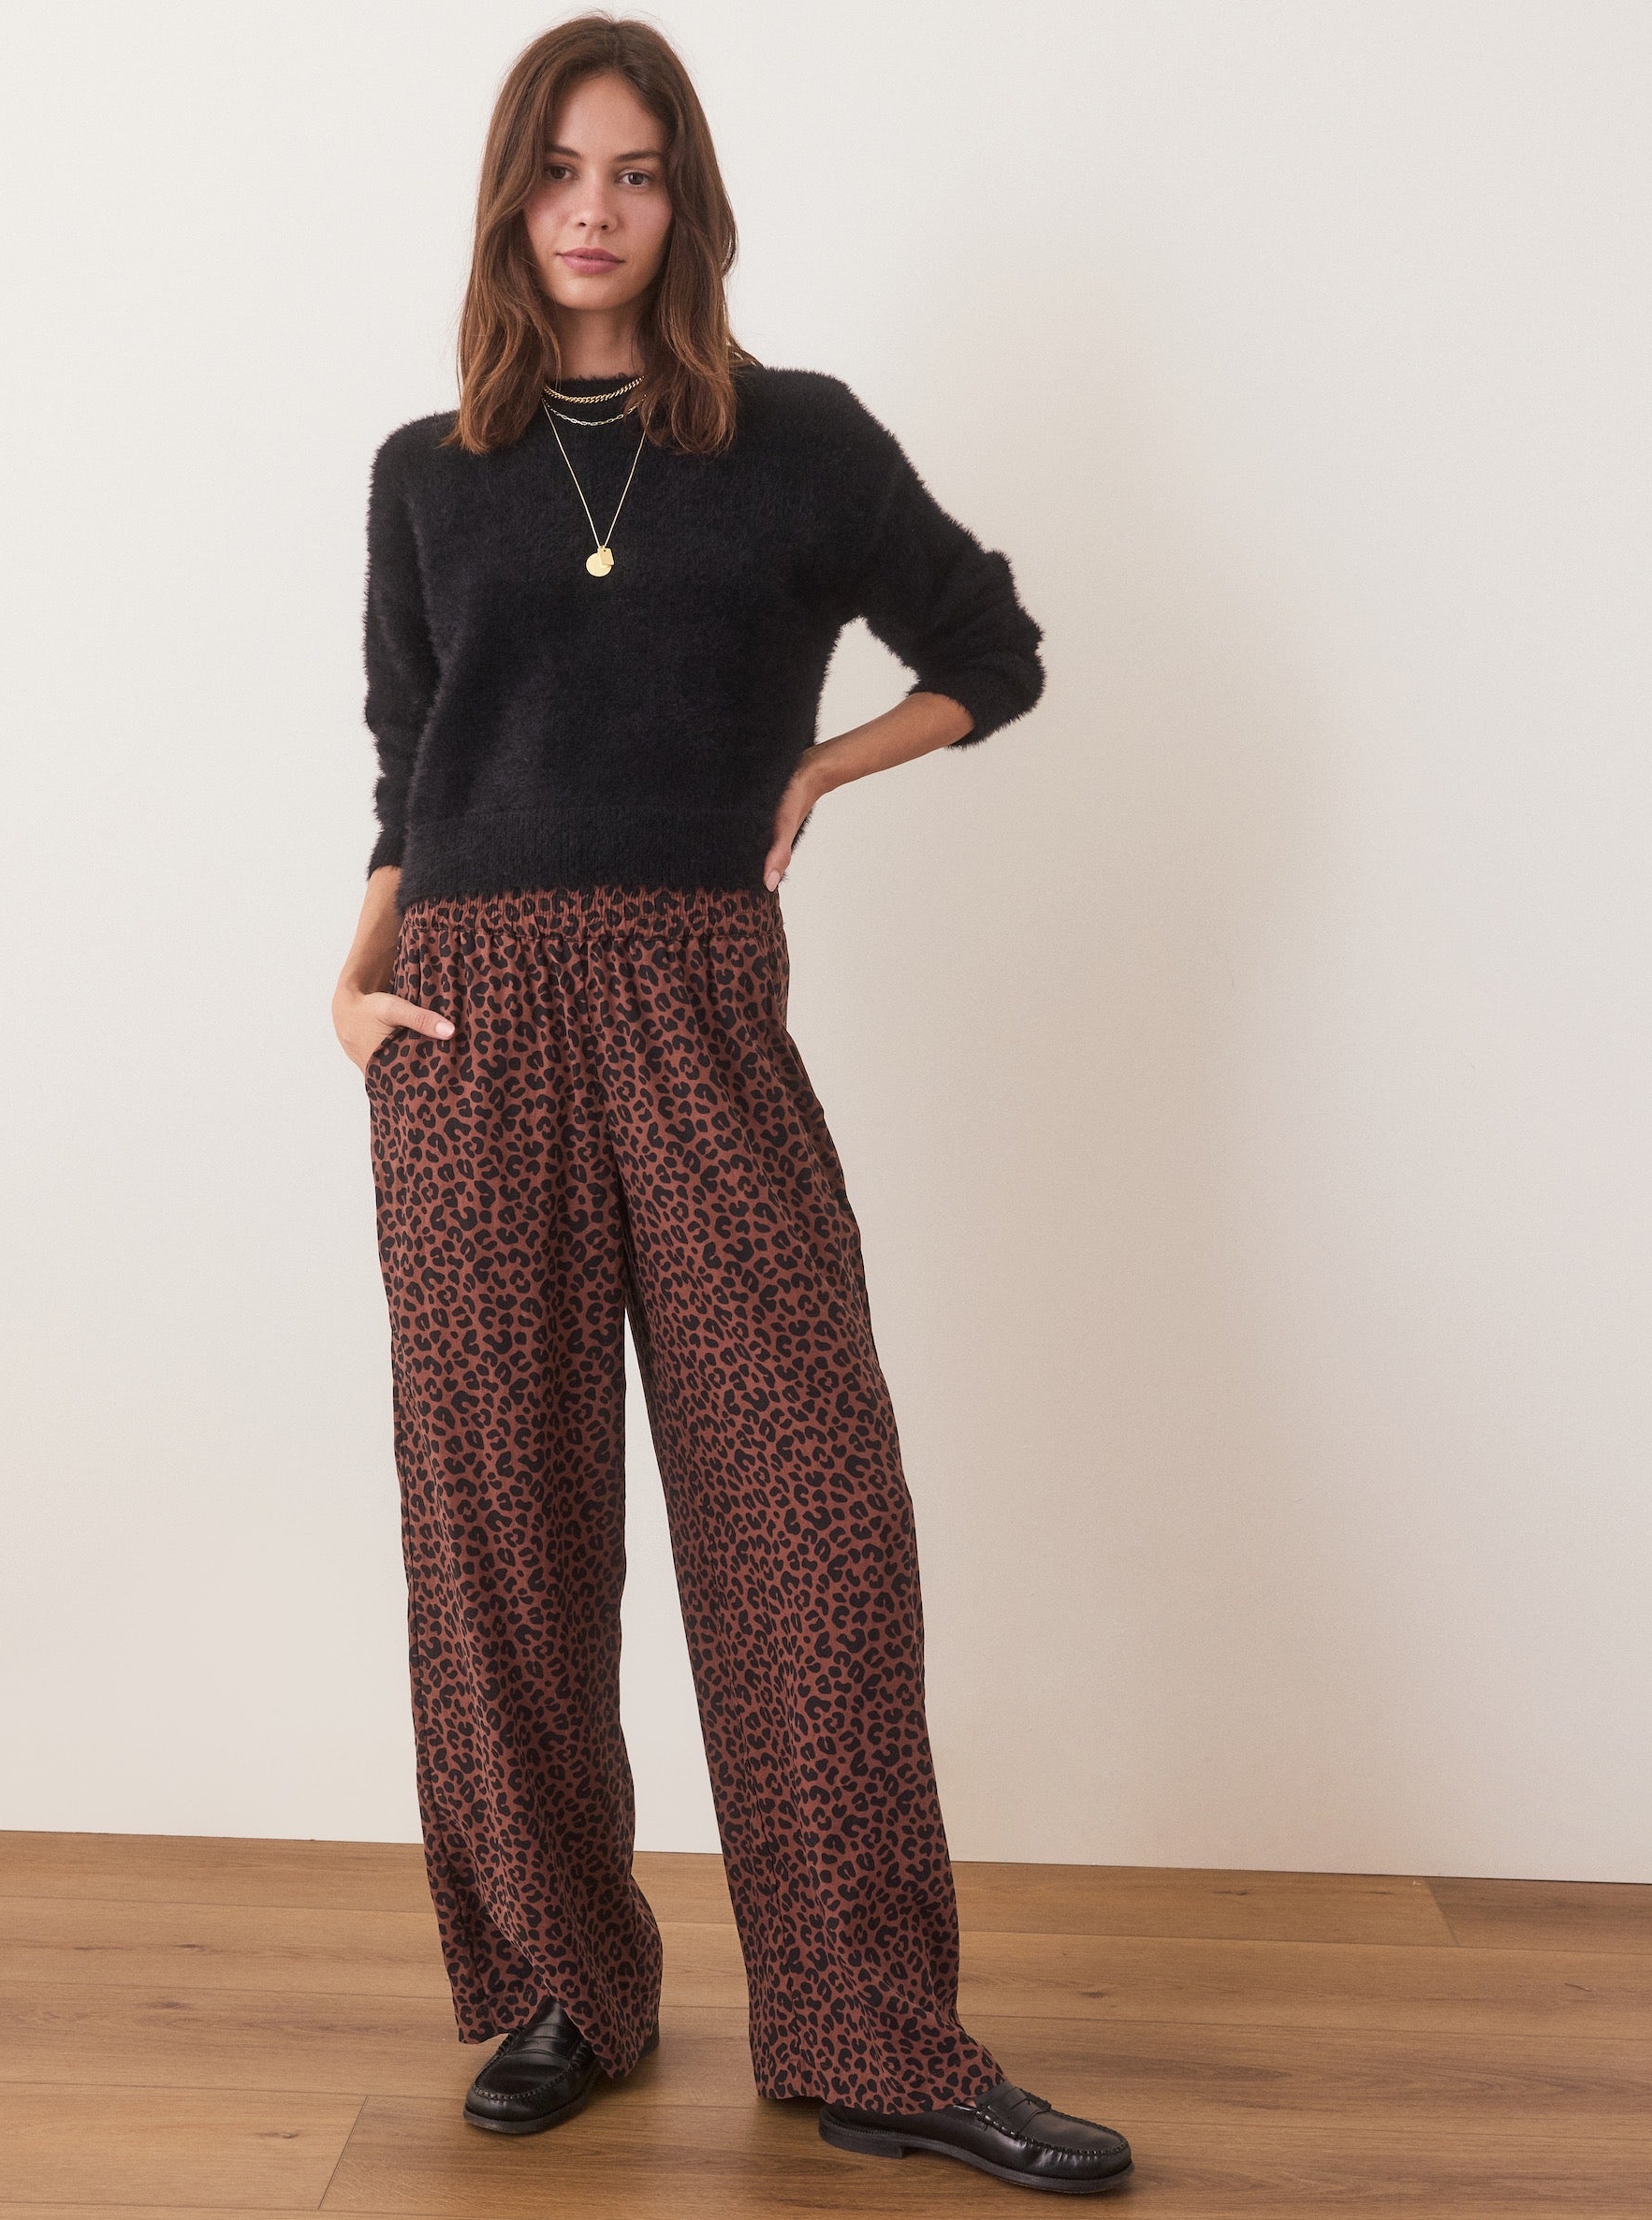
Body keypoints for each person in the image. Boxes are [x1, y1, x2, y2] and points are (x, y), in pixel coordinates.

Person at [330, 13, 1133, 2198]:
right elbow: (410, 761)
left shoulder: (797, 440)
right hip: (464, 1018)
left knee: (811, 1519)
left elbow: (988, 646)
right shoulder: (426, 470)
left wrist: (819, 769)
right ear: (510, 198)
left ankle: (872, 2030)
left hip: (697, 997)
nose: (592, 207)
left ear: (684, 198)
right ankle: (564, 1987)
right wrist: (355, 972)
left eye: (635, 169)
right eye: (558, 168)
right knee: (502, 1531)